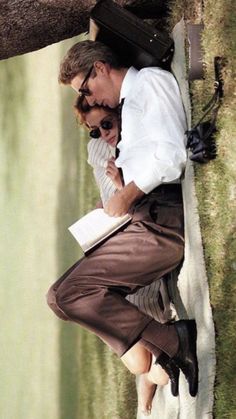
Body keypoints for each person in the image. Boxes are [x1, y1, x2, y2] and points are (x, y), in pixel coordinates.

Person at [47, 40, 198, 398]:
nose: (92, 98)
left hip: (162, 222)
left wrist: (127, 195)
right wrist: (118, 196)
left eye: (86, 88)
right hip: (142, 218)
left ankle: (175, 342)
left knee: (70, 295)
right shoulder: (127, 107)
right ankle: (166, 346)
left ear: (99, 67)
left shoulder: (148, 84)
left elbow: (173, 155)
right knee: (59, 298)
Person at [74, 96, 173, 414]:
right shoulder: (100, 151)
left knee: (145, 366)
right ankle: (146, 398)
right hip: (115, 234)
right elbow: (108, 198)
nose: (103, 133)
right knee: (137, 362)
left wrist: (122, 188)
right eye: (94, 130)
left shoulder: (138, 139)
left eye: (107, 124)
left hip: (139, 237)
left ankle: (150, 390)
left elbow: (146, 195)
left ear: (120, 115)